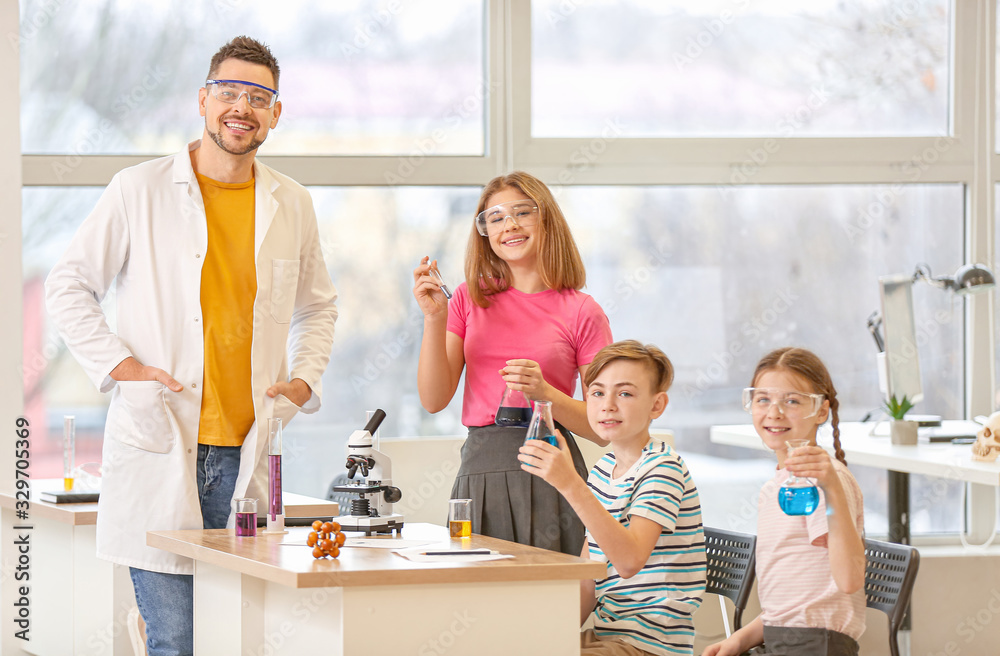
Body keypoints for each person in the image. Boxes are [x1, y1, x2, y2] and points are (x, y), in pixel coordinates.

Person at [45, 36, 338, 656]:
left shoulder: (293, 203)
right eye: (229, 92)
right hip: (162, 439)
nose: (242, 106)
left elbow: (319, 306)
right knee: (177, 640)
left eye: (259, 96)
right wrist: (123, 369)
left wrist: (305, 380)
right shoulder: (139, 189)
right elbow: (69, 286)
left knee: (242, 637)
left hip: (248, 451)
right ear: (203, 101)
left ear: (275, 114)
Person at [412, 171, 613, 555]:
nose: (510, 225)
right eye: (496, 217)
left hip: (555, 472)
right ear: (484, 231)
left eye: (523, 212)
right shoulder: (467, 300)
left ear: (546, 219)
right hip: (480, 471)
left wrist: (545, 395)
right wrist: (435, 319)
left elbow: (603, 429)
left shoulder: (583, 311)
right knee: (480, 602)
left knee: (553, 605)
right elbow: (434, 399)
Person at [518, 340, 706, 656]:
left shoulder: (663, 468)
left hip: (650, 646)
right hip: (608, 636)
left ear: (657, 406)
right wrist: (551, 634)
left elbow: (629, 561)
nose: (608, 405)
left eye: (625, 393)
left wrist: (570, 484)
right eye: (597, 393)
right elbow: (589, 570)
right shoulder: (605, 468)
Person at [703, 347, 866, 656]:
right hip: (784, 639)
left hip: (816, 645)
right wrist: (739, 639)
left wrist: (830, 485)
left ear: (821, 411)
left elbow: (849, 579)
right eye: (763, 399)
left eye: (791, 401)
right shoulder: (777, 485)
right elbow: (793, 605)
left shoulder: (827, 480)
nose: (774, 412)